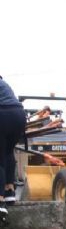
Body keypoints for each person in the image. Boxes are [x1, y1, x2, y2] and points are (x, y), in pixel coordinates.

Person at [0, 76, 26, 217]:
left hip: (2, 114)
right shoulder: (4, 84)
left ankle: (0, 201)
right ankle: (9, 191)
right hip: (19, 116)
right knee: (8, 153)